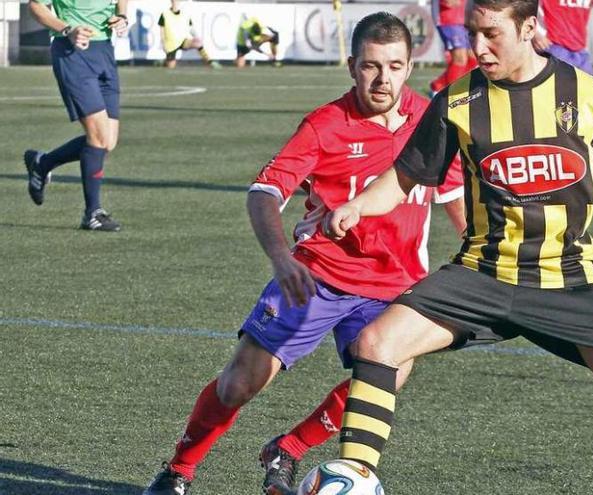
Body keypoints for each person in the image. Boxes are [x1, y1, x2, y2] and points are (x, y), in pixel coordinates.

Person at [322, 0, 593, 493]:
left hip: (568, 279)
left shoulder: (583, 92)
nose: (476, 47)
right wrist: (359, 206)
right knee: (376, 344)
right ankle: (356, 482)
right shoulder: (457, 102)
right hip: (481, 276)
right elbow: (405, 178)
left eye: (491, 34)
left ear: (530, 28)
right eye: (472, 33)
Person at [142, 12, 466, 495]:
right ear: (352, 65)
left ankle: (289, 449)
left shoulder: (431, 121)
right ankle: (178, 471)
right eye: (371, 66)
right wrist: (280, 258)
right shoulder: (324, 125)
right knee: (240, 384)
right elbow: (263, 193)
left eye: (395, 66)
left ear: (410, 65)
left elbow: (452, 192)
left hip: (392, 284)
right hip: (316, 275)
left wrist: (476, 246)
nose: (383, 79)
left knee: (391, 370)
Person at [24, 0, 128, 231]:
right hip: (72, 52)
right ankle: (92, 213)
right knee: (98, 137)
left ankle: (43, 163)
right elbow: (35, 6)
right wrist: (67, 29)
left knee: (107, 142)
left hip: (104, 51)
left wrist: (122, 17)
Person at [429, 0, 478, 94]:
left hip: (464, 18)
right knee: (460, 59)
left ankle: (438, 85)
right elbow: (450, 2)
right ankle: (453, 94)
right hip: (448, 19)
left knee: (474, 56)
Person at [158, 0, 221, 69]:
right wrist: (163, 43)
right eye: (174, 1)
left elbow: (191, 28)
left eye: (177, 1)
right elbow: (162, 31)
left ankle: (210, 62)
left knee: (198, 42)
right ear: (171, 2)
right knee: (171, 67)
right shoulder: (165, 14)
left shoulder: (185, 14)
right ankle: (163, 62)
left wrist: (196, 36)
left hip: (182, 41)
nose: (175, 2)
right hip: (171, 45)